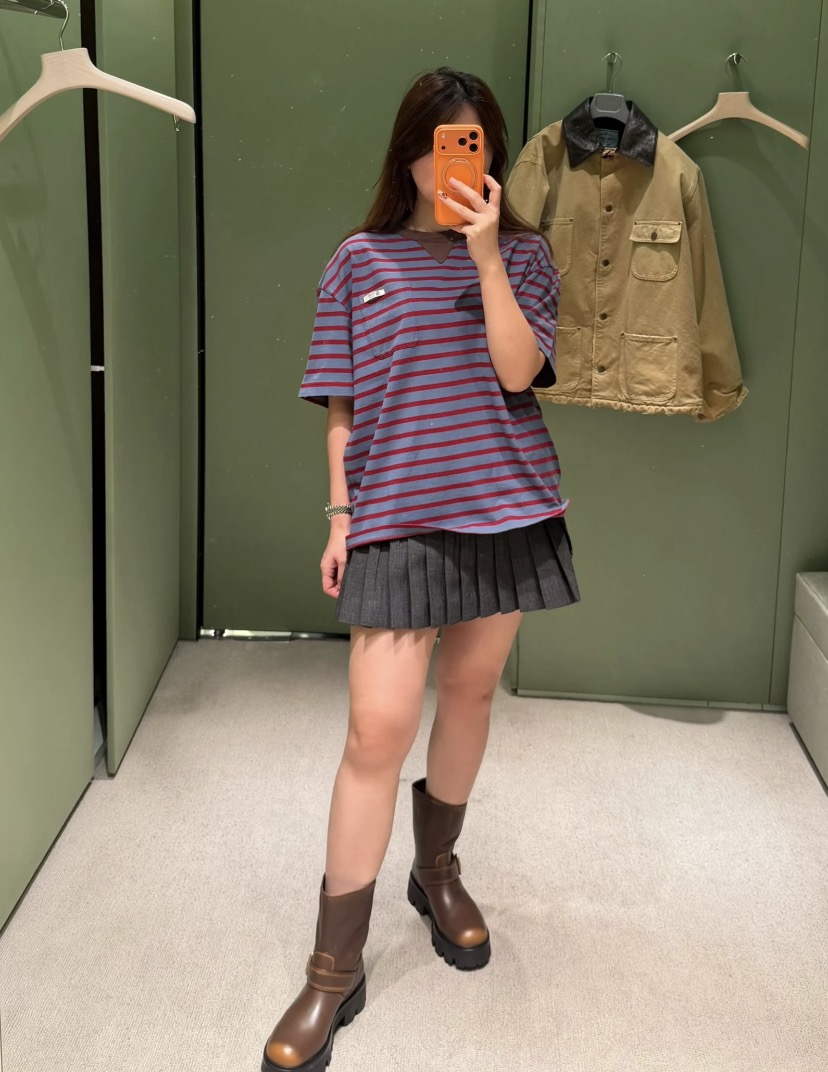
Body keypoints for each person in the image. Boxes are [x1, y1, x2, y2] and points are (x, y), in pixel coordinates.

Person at [262, 67, 580, 1072]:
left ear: (490, 155)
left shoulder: (524, 255)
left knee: (472, 692)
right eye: (440, 146)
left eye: (472, 146)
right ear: (407, 155)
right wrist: (340, 517)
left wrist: (486, 255)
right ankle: (332, 970)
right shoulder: (357, 261)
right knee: (376, 729)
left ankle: (435, 870)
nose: (454, 165)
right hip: (396, 517)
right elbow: (342, 404)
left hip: (507, 508)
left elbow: (518, 371)